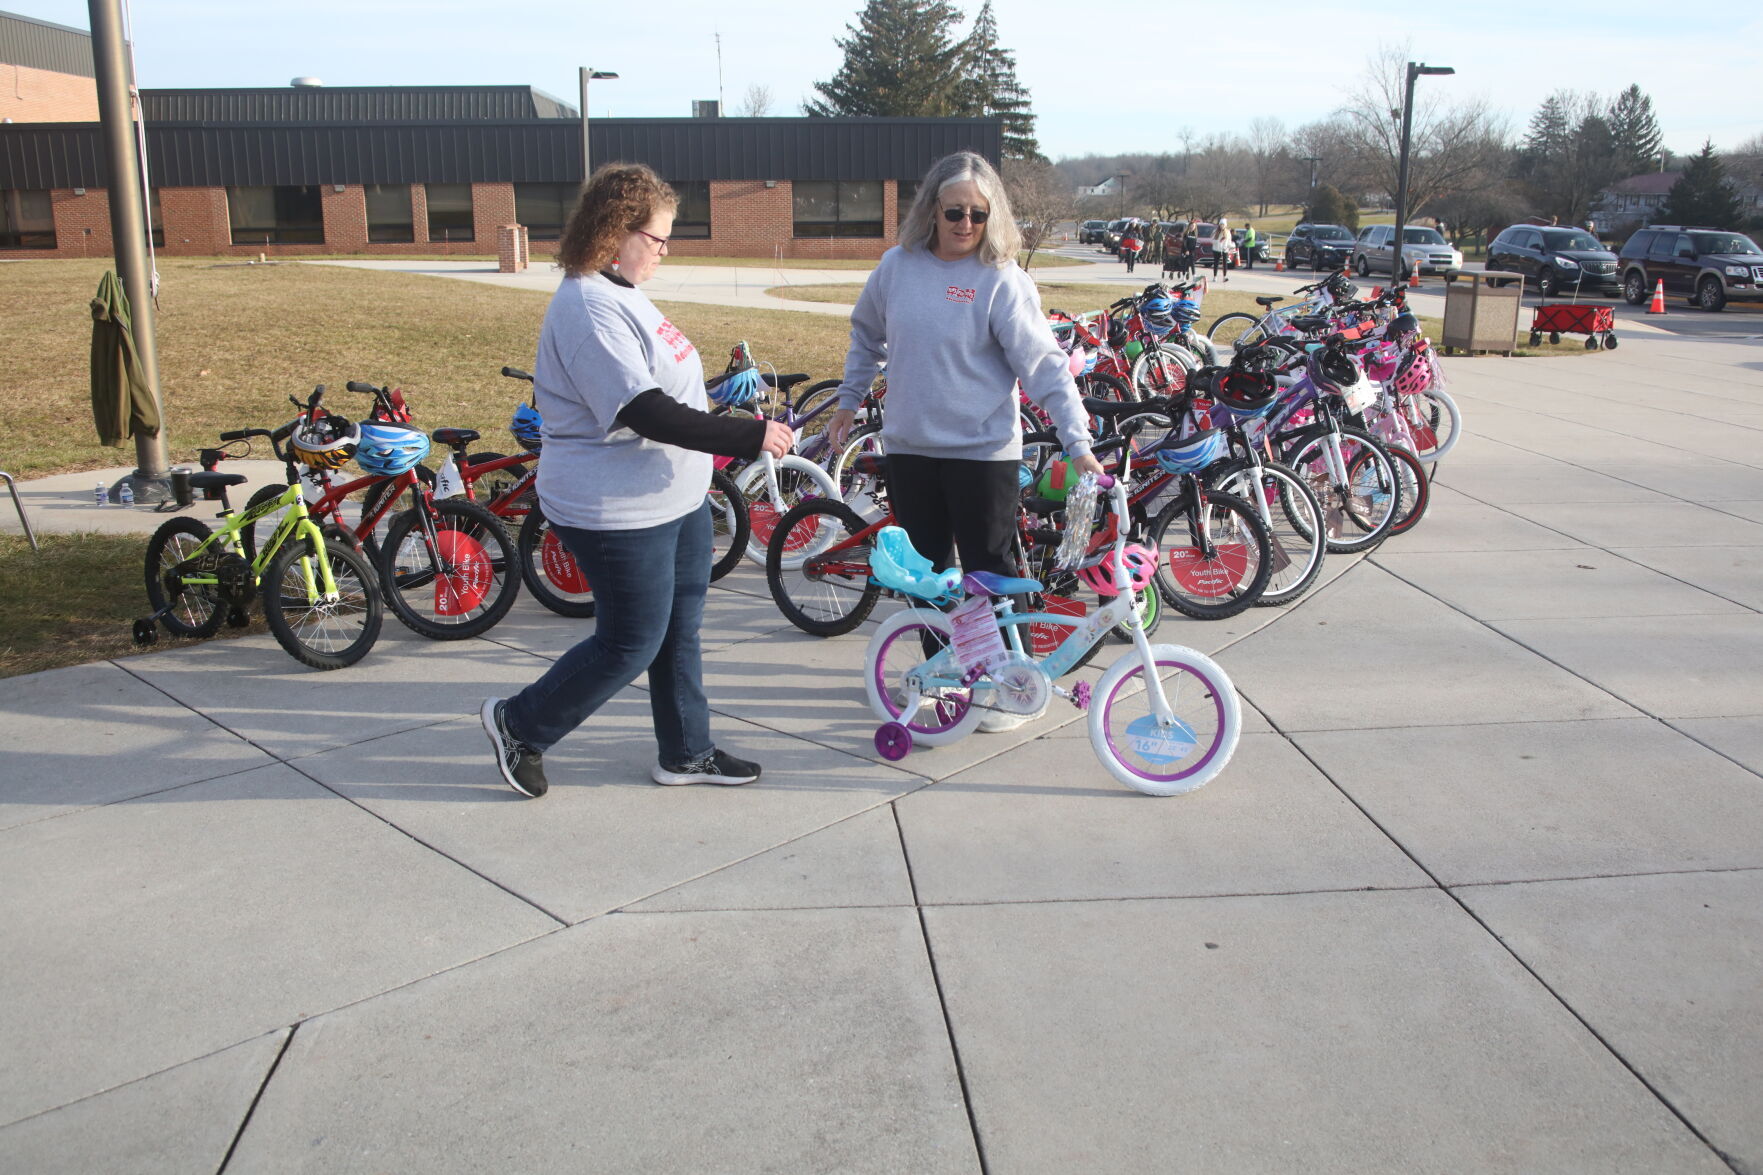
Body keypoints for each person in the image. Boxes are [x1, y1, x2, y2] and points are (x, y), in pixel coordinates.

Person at [480, 162, 794, 798]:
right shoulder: (587, 307)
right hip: (614, 508)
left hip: (670, 500)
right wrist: (745, 434)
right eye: (656, 238)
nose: (663, 251)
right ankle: (519, 722)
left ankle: (687, 752)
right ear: (616, 230)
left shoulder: (618, 290)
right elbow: (642, 410)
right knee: (630, 641)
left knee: (680, 629)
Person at [825, 150, 1102, 730]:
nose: (965, 227)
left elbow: (1044, 366)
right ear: (932, 209)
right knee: (927, 576)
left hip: (982, 457)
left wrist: (1077, 441)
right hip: (911, 451)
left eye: (979, 215)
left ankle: (1004, 684)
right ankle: (948, 681)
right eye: (955, 213)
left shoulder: (1001, 279)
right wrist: (848, 401)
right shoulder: (896, 268)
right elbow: (865, 335)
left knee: (987, 575)